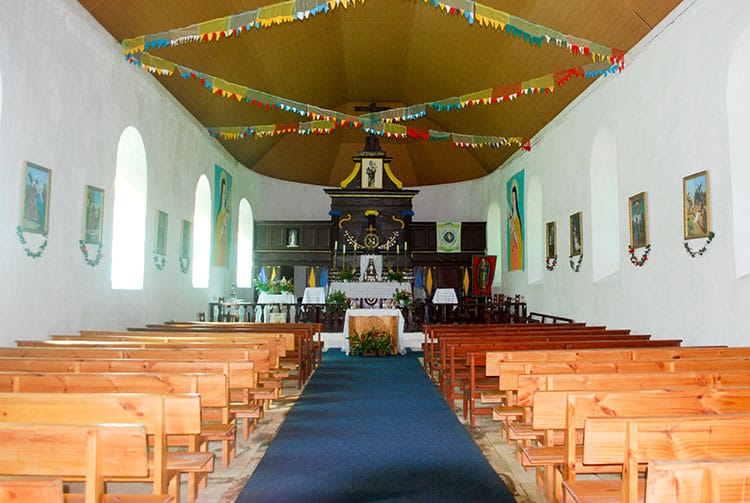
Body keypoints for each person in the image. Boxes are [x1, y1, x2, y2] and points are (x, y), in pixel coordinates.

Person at [213, 175, 229, 265]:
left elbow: (225, 225)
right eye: (223, 192)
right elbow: (220, 226)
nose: (224, 194)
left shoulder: (225, 212)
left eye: (225, 192)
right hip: (220, 235)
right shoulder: (221, 211)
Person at [508, 184, 523, 270]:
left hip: (517, 244)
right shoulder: (512, 217)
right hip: (513, 246)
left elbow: (518, 233)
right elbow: (511, 233)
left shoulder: (517, 217)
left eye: (514, 198)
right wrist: (511, 225)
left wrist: (514, 228)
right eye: (512, 199)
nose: (513, 201)